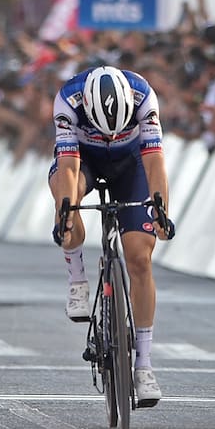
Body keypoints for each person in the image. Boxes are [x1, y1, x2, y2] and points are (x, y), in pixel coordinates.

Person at [48, 65, 175, 407]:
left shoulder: (144, 96)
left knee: (139, 257)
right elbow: (70, 168)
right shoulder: (68, 100)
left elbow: (155, 163)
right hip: (83, 160)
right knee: (68, 208)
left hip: (130, 163)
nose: (108, 135)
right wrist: (67, 213)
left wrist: (162, 210)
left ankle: (144, 365)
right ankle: (77, 280)